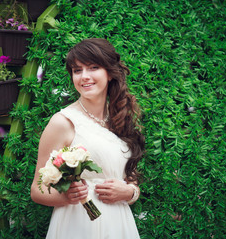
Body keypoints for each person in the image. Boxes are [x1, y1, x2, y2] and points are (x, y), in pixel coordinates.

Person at [31, 38, 145, 239]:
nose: (84, 76)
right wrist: (65, 196)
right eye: (77, 70)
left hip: (119, 224)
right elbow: (37, 189)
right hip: (78, 224)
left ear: (109, 73)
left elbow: (131, 180)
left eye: (93, 68)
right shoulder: (63, 122)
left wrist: (128, 193)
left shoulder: (120, 120)